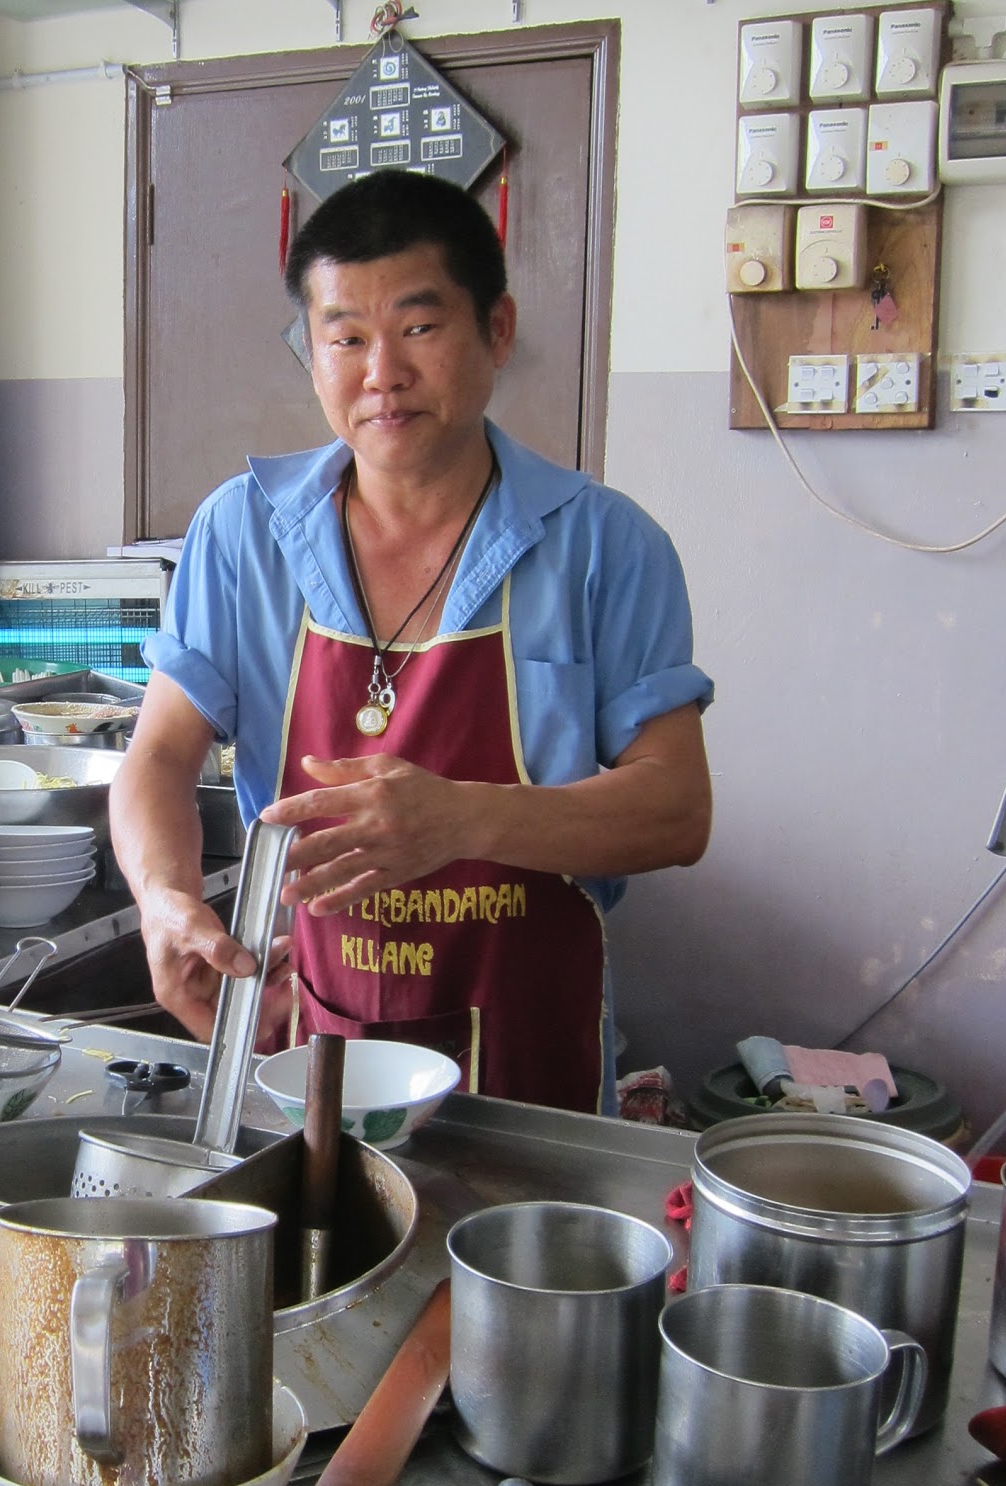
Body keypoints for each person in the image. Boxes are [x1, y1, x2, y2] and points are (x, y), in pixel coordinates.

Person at [109, 169, 713, 1115]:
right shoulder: (241, 534)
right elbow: (158, 753)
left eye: (419, 329)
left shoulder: (605, 545)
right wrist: (163, 898)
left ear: (497, 330)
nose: (380, 373)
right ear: (309, 353)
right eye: (343, 336)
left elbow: (675, 810)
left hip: (532, 1057)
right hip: (315, 1034)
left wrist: (462, 821)